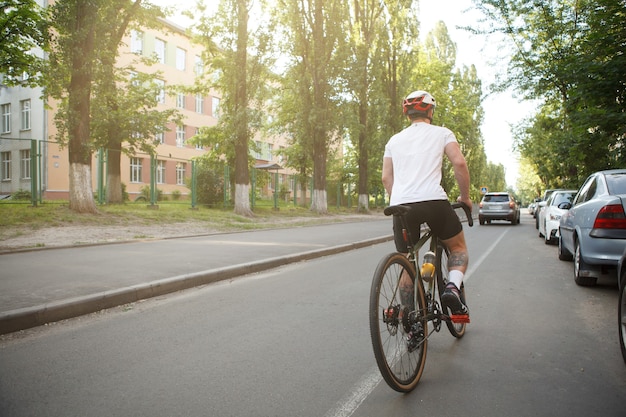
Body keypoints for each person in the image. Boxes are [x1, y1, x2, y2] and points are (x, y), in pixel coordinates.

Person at [382, 90, 472, 317]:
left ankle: (409, 319)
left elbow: (386, 177)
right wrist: (466, 198)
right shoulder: (442, 133)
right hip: (434, 202)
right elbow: (459, 163)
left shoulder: (394, 140)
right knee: (458, 247)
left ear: (407, 114)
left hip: (401, 205)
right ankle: (452, 287)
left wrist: (399, 200)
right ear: (430, 111)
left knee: (407, 260)